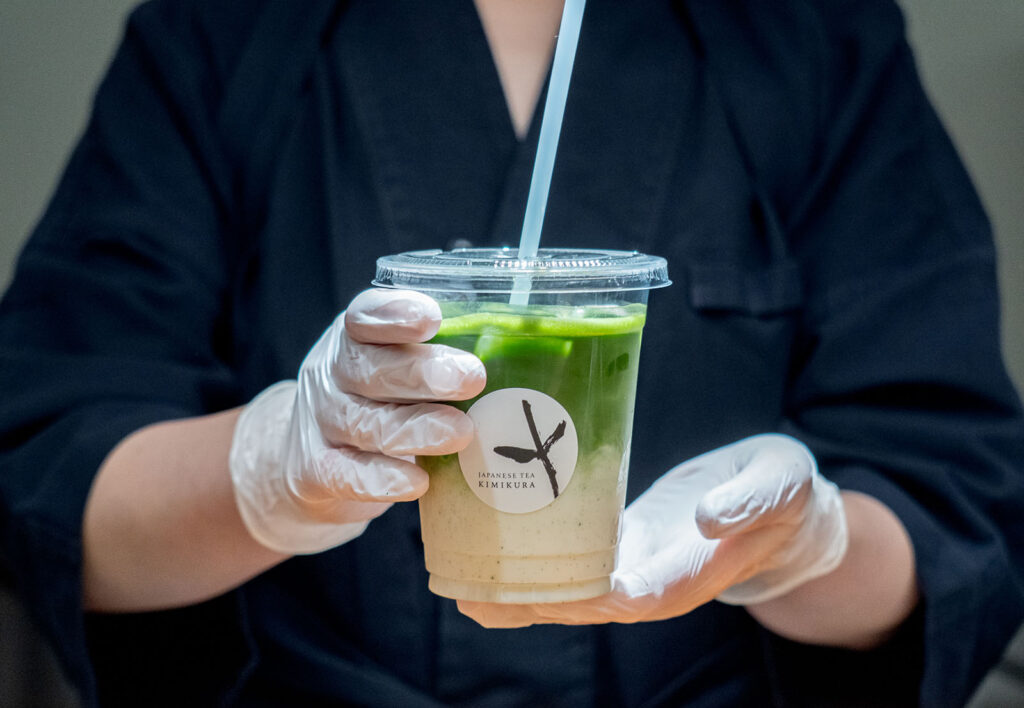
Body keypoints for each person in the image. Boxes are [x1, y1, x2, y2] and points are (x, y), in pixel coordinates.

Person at [1, 0, 1022, 705]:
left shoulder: (816, 36)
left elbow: (948, 508)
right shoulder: (219, 33)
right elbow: (55, 477)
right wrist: (272, 472)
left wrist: (807, 548)